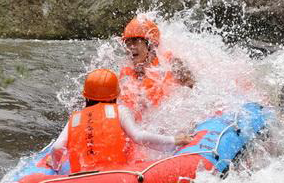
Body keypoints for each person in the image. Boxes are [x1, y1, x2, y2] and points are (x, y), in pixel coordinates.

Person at [49, 69, 191, 174]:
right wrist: (174, 140)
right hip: (116, 177)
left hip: (80, 182)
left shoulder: (75, 118)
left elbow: (57, 148)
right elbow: (139, 136)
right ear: (115, 95)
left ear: (86, 96)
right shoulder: (120, 111)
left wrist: (55, 166)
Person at [119, 16, 195, 119]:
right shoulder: (126, 76)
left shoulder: (171, 63)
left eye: (136, 41)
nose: (131, 47)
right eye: (128, 43)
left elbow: (193, 91)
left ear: (151, 44)